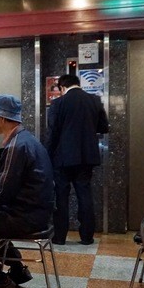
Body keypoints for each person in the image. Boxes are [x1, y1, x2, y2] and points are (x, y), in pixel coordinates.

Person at [0, 94, 54, 288]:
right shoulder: (26, 139)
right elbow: (0, 183)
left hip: (27, 217)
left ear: (1, 118)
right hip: (37, 213)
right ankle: (17, 269)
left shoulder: (16, 146)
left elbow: (2, 193)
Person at [47, 74, 110, 245]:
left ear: (62, 87)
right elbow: (104, 127)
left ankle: (60, 237)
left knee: (61, 196)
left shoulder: (58, 103)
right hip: (86, 157)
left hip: (63, 158)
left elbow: (53, 132)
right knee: (85, 194)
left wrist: (48, 154)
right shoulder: (94, 101)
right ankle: (87, 237)